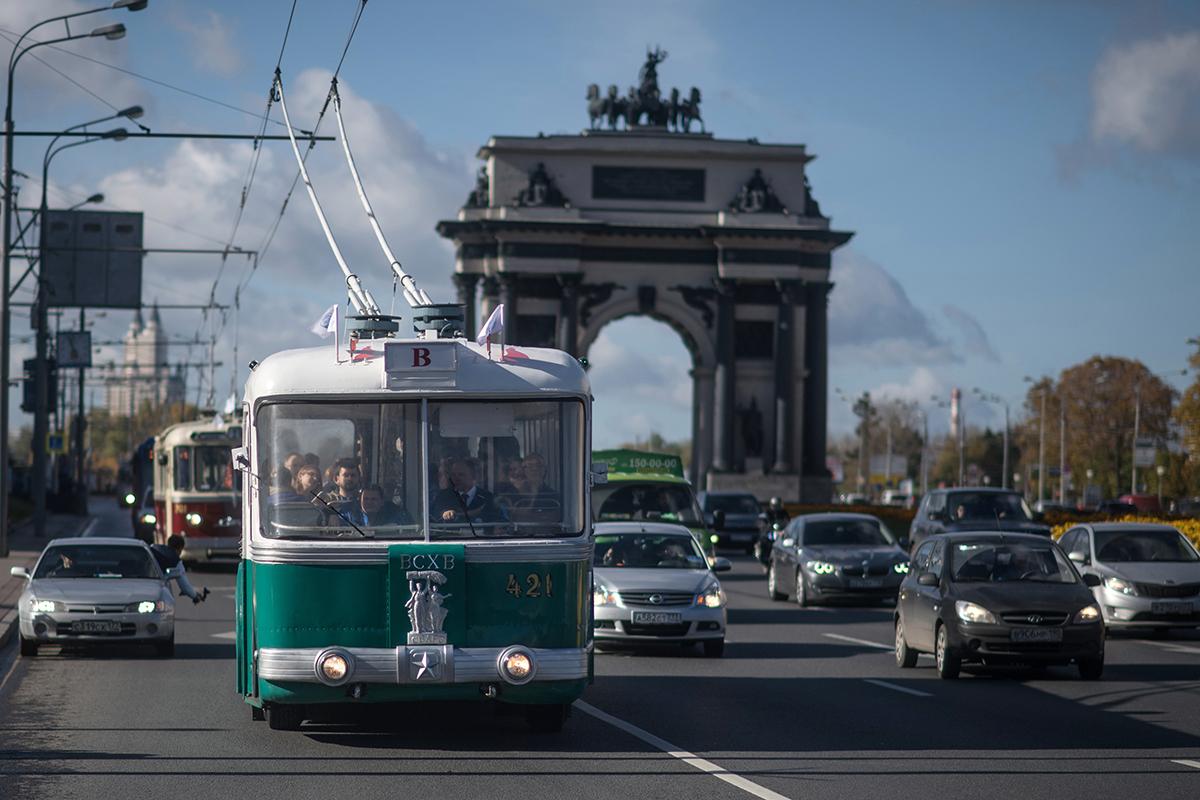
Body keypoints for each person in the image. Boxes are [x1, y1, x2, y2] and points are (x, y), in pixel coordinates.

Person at [431, 458, 506, 524]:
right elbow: (435, 517)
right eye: (453, 475)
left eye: (461, 475)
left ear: (473, 476)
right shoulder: (443, 496)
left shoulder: (487, 497)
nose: (456, 479)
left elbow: (497, 519)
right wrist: (444, 513)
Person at [150, 534, 208, 604]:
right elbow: (185, 587)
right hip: (155, 589)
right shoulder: (176, 561)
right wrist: (195, 596)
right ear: (180, 549)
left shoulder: (154, 547)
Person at [348, 484, 413, 527]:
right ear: (360, 501)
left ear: (382, 502)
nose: (369, 502)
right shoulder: (351, 517)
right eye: (365, 499)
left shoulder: (396, 517)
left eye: (374, 499)